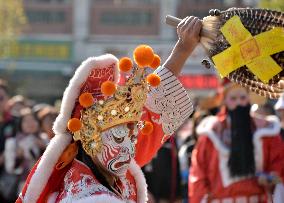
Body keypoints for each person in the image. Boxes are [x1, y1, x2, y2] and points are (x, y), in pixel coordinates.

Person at [16, 16, 202, 203]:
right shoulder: (95, 197)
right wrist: (183, 48)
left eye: (133, 137)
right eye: (120, 138)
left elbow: (153, 103)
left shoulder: (91, 168)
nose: (129, 149)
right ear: (89, 140)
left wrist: (184, 48)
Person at [189, 80, 284, 203]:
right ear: (224, 100)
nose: (239, 102)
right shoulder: (210, 134)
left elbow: (279, 161)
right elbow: (199, 175)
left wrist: (271, 176)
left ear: (249, 98)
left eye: (243, 97)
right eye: (233, 98)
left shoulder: (265, 130)